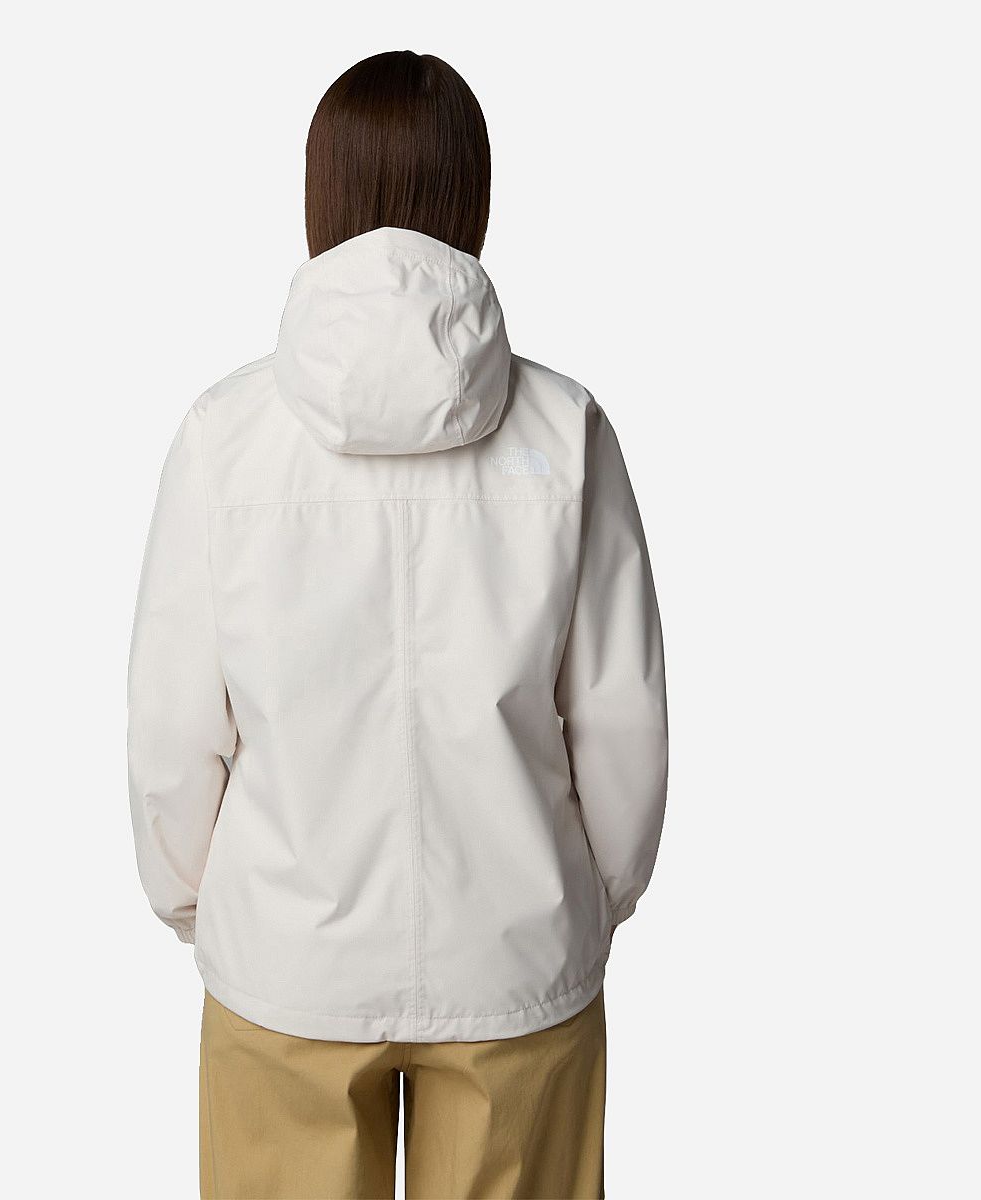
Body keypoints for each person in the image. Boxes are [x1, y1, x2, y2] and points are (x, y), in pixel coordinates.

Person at [128, 49, 667, 1200]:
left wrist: (209, 909)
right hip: (518, 956)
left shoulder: (224, 436)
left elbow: (175, 731)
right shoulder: (568, 432)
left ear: (318, 193)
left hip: (287, 964)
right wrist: (586, 903)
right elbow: (621, 726)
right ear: (474, 197)